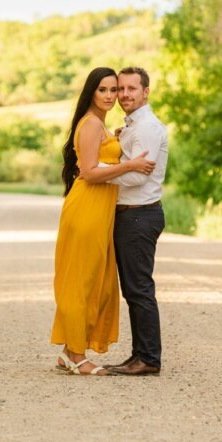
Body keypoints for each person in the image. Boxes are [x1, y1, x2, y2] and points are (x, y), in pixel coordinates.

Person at [51, 66, 157, 375]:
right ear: (91, 92)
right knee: (82, 281)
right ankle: (75, 354)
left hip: (100, 210)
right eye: (104, 90)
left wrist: (116, 140)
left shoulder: (101, 125)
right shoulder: (91, 124)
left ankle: (68, 352)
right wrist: (130, 165)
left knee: (96, 282)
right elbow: (89, 172)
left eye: (115, 90)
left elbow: (100, 157)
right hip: (87, 209)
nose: (111, 96)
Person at [93, 66, 169, 376]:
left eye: (131, 89)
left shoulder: (147, 126)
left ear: (145, 92)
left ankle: (148, 358)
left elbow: (139, 175)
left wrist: (98, 174)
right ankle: (140, 354)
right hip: (132, 215)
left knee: (139, 289)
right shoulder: (133, 126)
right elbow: (131, 165)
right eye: (120, 89)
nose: (123, 94)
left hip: (139, 214)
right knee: (134, 289)